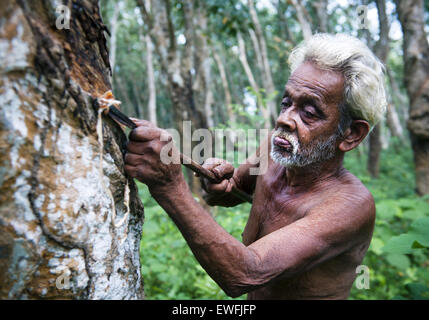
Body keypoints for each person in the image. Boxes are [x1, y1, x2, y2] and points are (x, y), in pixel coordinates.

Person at [124, 33, 387, 299]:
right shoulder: (273, 152)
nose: (284, 119)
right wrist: (215, 183)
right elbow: (231, 190)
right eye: (286, 103)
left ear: (351, 134)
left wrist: (169, 186)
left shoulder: (350, 206)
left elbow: (245, 274)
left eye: (308, 113)